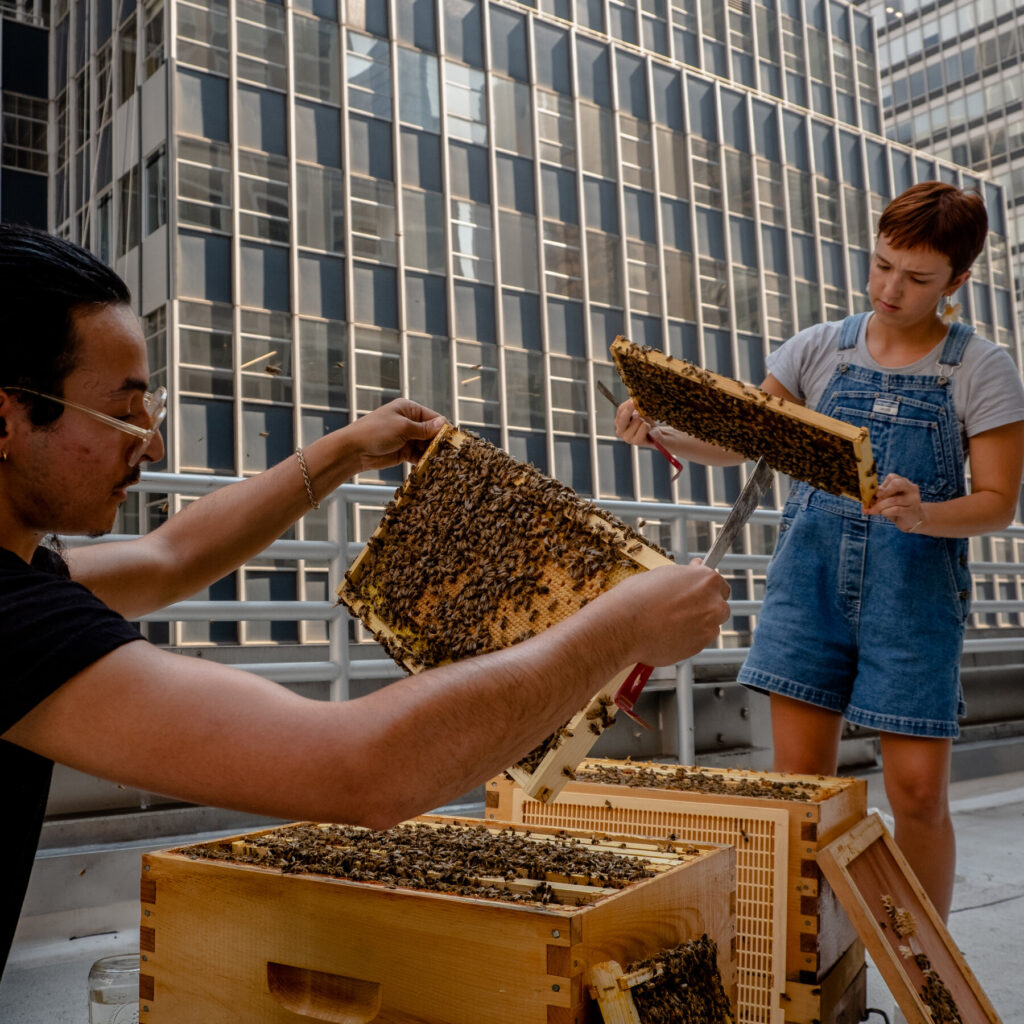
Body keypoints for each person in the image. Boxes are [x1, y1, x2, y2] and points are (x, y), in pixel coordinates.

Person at [0, 223, 731, 977]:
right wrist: (622, 626)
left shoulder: (27, 577)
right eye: (124, 411)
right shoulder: (12, 620)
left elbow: (168, 557)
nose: (150, 444)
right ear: (7, 418)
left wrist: (348, 450)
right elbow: (361, 768)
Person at [615, 182, 1024, 921]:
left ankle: (922, 970)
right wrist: (663, 432)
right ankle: (806, 965)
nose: (891, 288)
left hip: (915, 600)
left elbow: (997, 503)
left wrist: (924, 512)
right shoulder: (817, 349)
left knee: (919, 796)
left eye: (918, 278)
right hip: (807, 593)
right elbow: (742, 440)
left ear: (958, 282)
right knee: (799, 787)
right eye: (882, 266)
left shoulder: (979, 368)